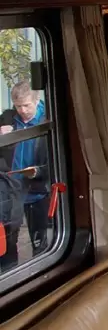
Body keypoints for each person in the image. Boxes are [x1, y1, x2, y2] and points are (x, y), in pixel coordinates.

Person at [0, 82, 50, 258]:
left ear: (37, 101)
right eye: (18, 106)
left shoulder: (47, 120)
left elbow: (57, 158)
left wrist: (38, 172)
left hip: (38, 191)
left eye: (27, 105)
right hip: (11, 190)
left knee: (40, 240)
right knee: (8, 240)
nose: (22, 110)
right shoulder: (7, 118)